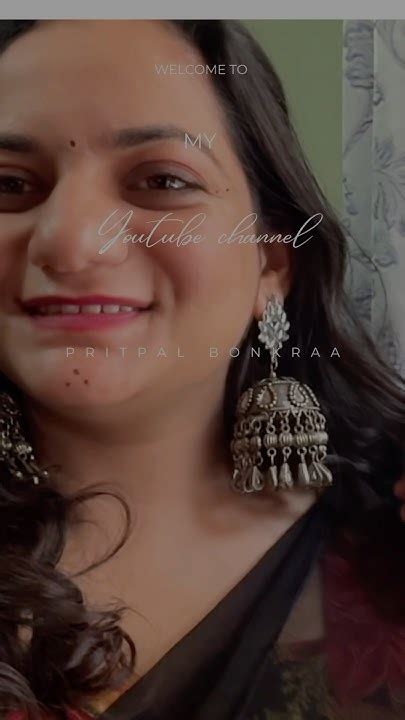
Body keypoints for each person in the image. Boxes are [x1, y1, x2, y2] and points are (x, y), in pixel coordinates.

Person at [0, 18, 405, 720]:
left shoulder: (387, 546)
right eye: (9, 183)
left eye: (162, 180)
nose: (70, 240)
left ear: (271, 263)